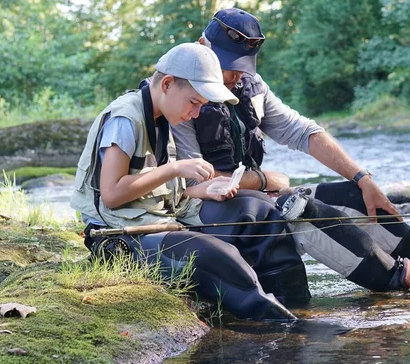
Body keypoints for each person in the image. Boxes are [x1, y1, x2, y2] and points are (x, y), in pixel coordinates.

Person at [167, 8, 410, 291]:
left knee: (353, 194)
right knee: (298, 209)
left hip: (256, 196)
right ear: (201, 46)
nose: (234, 75)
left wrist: (364, 179)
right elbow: (197, 182)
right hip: (214, 212)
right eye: (227, 65)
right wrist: (263, 181)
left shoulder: (252, 87)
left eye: (241, 67)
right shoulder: (182, 95)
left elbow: (305, 132)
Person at [70, 43, 309, 321]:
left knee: (259, 212)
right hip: (119, 235)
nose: (196, 114)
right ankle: (284, 326)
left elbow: (154, 192)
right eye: (194, 103)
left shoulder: (163, 116)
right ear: (168, 84)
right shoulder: (124, 119)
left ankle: (301, 309)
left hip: (160, 216)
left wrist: (201, 190)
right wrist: (176, 169)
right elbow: (111, 195)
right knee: (217, 255)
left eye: (202, 106)